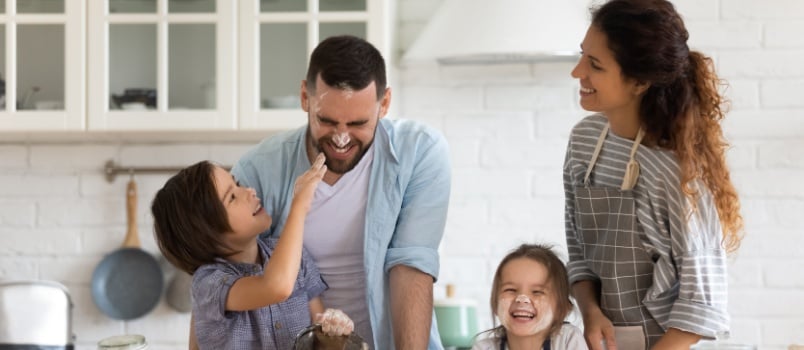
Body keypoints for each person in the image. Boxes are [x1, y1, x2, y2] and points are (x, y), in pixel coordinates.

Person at [227, 35, 451, 349]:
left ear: (384, 104)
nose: (342, 138)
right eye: (327, 121)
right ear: (305, 96)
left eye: (358, 123)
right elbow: (224, 273)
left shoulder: (420, 153)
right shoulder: (258, 169)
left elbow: (411, 266)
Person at [563, 0, 744, 349]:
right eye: (583, 54)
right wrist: (590, 312)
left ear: (639, 82)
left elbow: (702, 308)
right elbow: (579, 251)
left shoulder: (677, 175)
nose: (577, 71)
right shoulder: (584, 141)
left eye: (595, 65)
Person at [152, 156, 356, 349]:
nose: (248, 191)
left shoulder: (295, 256)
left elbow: (319, 336)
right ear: (204, 232)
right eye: (231, 197)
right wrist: (299, 205)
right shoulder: (208, 283)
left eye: (237, 183)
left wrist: (334, 330)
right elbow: (276, 287)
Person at [472, 244, 587, 350]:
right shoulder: (483, 348)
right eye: (510, 290)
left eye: (537, 292)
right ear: (495, 304)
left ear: (562, 309)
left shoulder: (567, 339)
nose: (522, 299)